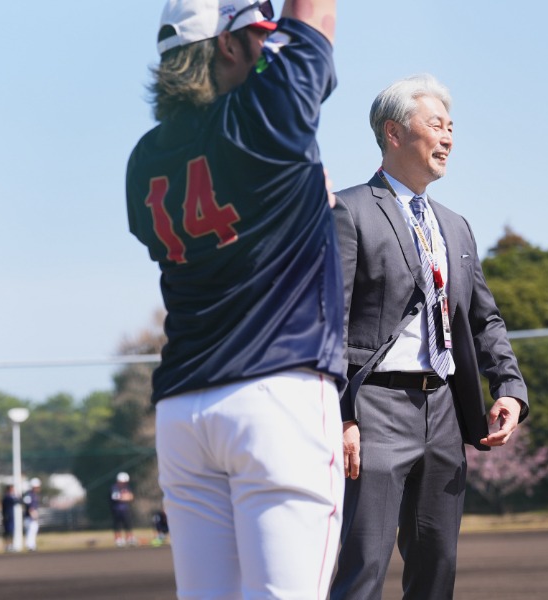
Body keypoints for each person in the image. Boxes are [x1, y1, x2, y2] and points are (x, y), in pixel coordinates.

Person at [125, 0, 343, 597]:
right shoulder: (267, 115)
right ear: (226, 45)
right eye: (257, 31)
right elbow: (316, 18)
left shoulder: (144, 159)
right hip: (275, 396)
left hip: (183, 412)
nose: (269, 41)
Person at [329, 74, 530, 600]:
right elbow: (327, 321)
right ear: (394, 133)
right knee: (361, 566)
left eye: (451, 127)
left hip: (443, 411)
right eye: (435, 125)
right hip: (373, 408)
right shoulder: (348, 211)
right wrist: (341, 414)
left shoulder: (455, 225)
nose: (448, 138)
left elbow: (484, 319)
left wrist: (508, 387)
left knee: (437, 568)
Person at [110, 472, 136, 547]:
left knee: (128, 524)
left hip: (126, 509)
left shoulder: (127, 487)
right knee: (117, 525)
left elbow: (131, 497)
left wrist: (124, 497)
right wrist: (124, 497)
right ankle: (118, 539)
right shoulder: (114, 487)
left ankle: (129, 538)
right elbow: (116, 497)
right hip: (116, 510)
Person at [22, 478, 41, 552]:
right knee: (30, 530)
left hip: (32, 516)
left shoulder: (34, 495)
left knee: (34, 529)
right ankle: (30, 546)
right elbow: (28, 505)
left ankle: (32, 545)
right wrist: (32, 513)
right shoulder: (29, 494)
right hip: (29, 517)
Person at [0, 484, 17, 552]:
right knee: (8, 532)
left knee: (10, 532)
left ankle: (10, 546)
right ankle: (8, 546)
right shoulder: (7, 497)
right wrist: (16, 495)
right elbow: (16, 501)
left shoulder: (8, 497)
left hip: (9, 517)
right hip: (8, 517)